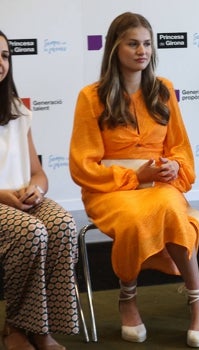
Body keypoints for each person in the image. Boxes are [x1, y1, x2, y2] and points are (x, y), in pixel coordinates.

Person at [68, 13, 199, 347]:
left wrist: (174, 167)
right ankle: (127, 297)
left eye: (147, 44)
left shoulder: (164, 90)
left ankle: (197, 300)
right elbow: (82, 165)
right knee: (135, 219)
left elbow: (180, 148)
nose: (141, 51)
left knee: (174, 211)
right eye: (133, 44)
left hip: (161, 185)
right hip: (110, 190)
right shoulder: (91, 96)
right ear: (115, 48)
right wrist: (134, 175)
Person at [0, 30, 78, 350]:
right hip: (4, 203)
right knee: (31, 231)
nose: (0, 62)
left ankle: (42, 329)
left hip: (21, 199)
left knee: (62, 224)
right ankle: (16, 327)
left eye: (5, 56)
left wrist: (37, 190)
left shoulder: (17, 110)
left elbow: (37, 172)